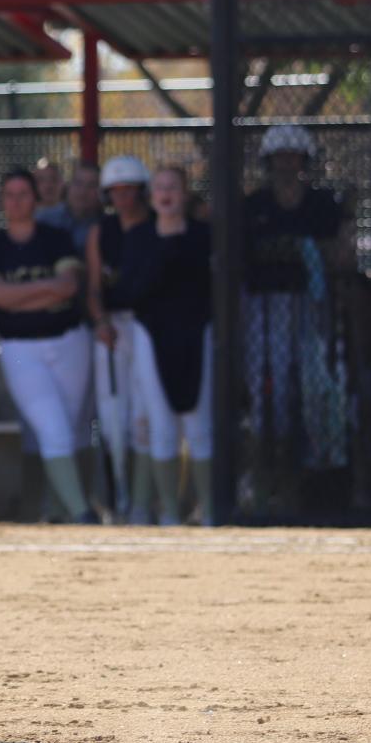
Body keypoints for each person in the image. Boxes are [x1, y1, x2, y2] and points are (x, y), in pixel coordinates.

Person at [0, 169, 93, 523]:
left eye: (24, 193)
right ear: (2, 200)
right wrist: (45, 291)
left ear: (36, 198)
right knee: (53, 429)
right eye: (10, 194)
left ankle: (56, 512)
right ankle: (82, 513)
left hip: (69, 343)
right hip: (20, 350)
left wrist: (18, 299)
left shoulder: (55, 237)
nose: (17, 201)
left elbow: (69, 287)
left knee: (73, 430)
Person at [240, 124, 349, 473]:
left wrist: (303, 249)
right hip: (262, 305)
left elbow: (340, 255)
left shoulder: (321, 204)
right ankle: (264, 465)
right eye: (279, 158)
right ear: (268, 163)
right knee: (265, 385)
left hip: (310, 304)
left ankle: (308, 465)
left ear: (305, 161)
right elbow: (240, 258)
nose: (286, 164)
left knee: (308, 383)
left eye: (293, 157)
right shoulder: (253, 205)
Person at [136, 166, 214, 525]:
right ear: (151, 196)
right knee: (162, 427)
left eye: (173, 187)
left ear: (185, 194)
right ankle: (169, 513)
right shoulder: (139, 238)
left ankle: (209, 511)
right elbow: (132, 291)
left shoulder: (203, 236)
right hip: (153, 338)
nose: (166, 194)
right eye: (159, 187)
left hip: (197, 335)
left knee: (199, 425)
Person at [86, 155, 158, 521]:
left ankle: (143, 504)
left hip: (149, 327)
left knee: (144, 418)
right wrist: (100, 320)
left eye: (131, 190)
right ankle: (120, 498)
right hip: (112, 329)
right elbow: (95, 287)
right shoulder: (103, 232)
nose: (124, 198)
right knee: (113, 419)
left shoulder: (157, 227)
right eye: (117, 191)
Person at [40, 160, 103, 251]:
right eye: (78, 183)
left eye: (91, 185)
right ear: (69, 186)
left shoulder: (106, 228)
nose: (83, 191)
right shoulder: (44, 220)